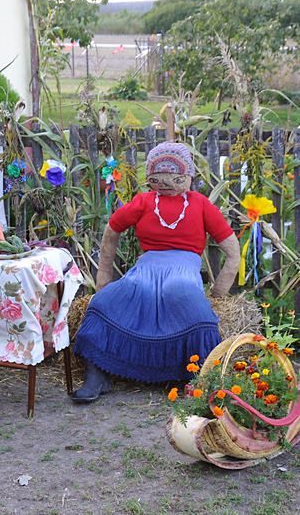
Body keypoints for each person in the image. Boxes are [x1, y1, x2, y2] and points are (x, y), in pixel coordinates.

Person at [72, 141, 241, 403]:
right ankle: (98, 374)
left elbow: (232, 249)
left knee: (191, 306)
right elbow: (112, 230)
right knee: (102, 304)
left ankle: (198, 377)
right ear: (151, 177)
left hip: (184, 269)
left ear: (188, 176)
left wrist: (219, 292)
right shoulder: (144, 202)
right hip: (146, 269)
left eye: (175, 178)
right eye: (158, 178)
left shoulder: (201, 204)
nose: (166, 184)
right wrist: (103, 280)